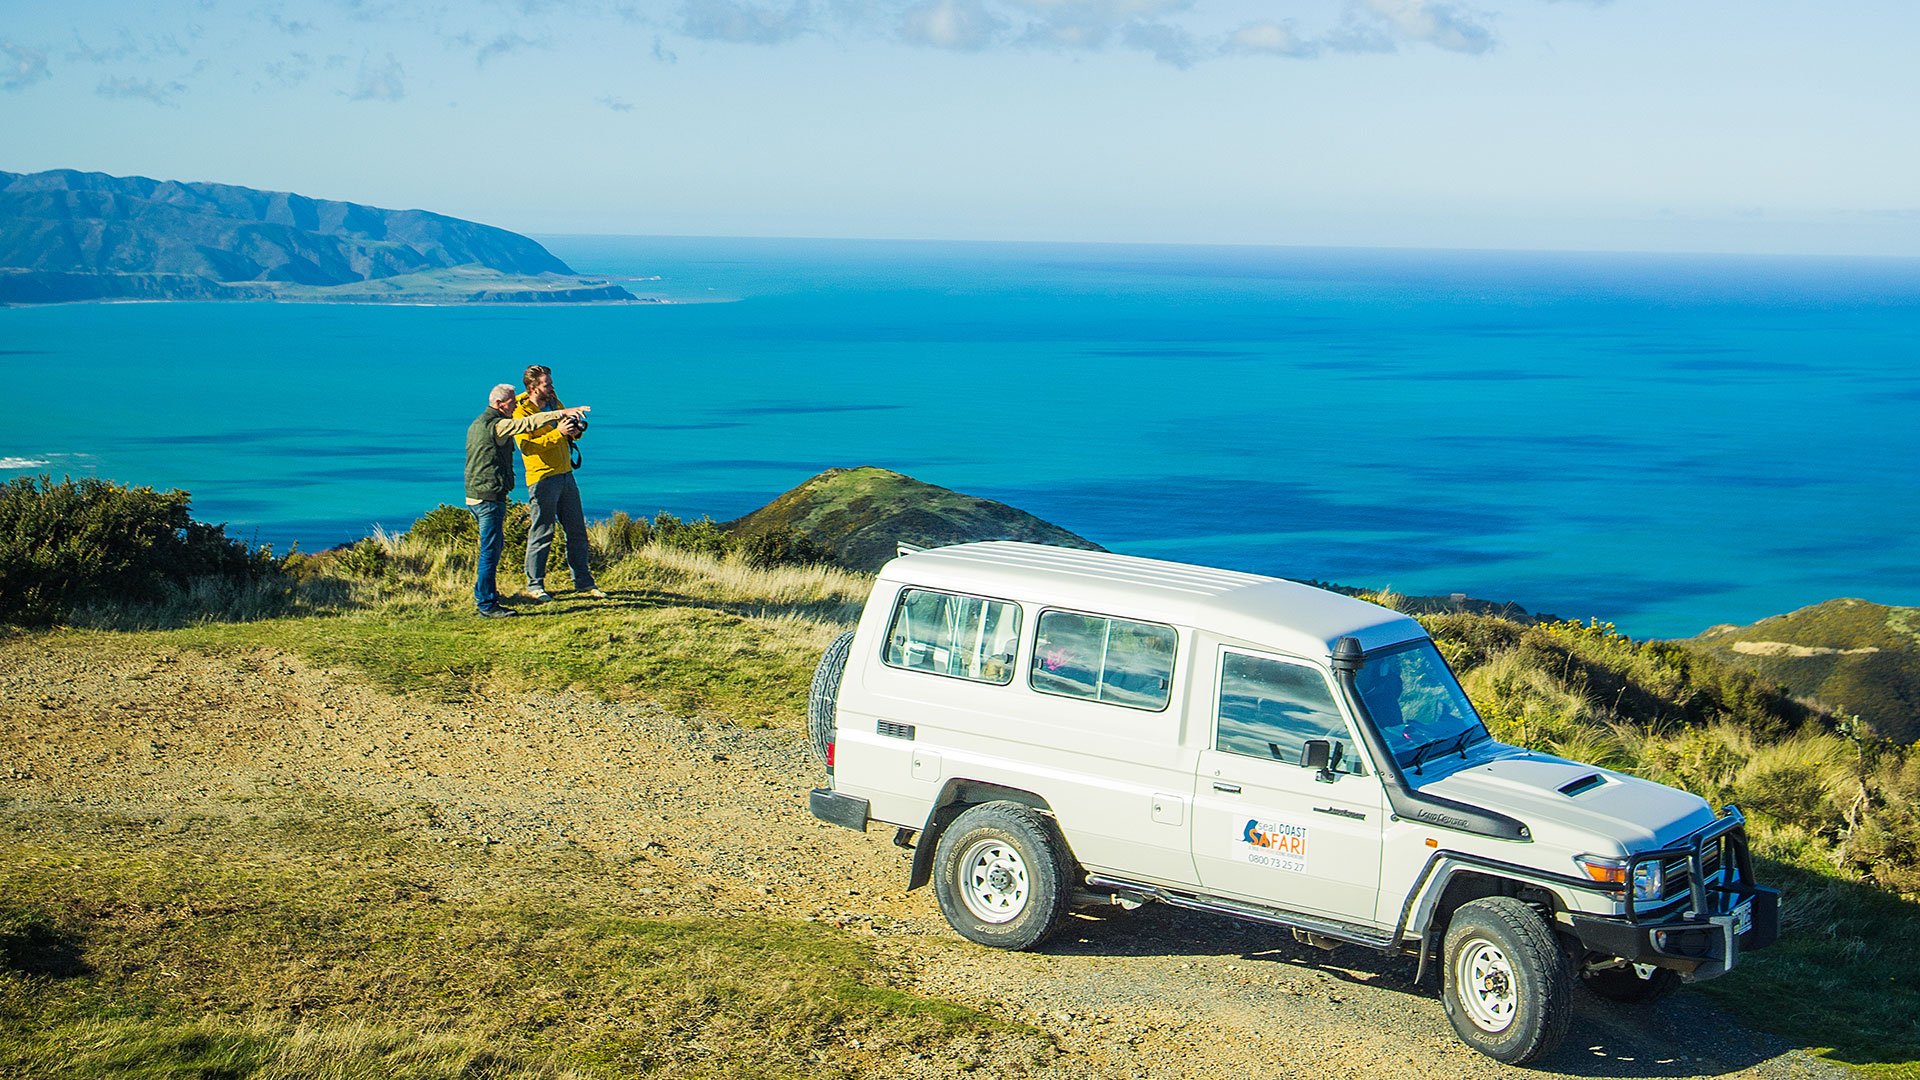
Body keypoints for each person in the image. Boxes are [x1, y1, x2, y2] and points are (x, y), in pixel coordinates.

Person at [465, 383, 589, 618]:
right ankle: (487, 604)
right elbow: (526, 425)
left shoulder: (477, 423)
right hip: (489, 496)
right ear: (499, 404)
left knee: (492, 549)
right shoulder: (498, 425)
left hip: (477, 494)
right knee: (490, 552)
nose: (516, 404)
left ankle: (487, 596)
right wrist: (560, 415)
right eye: (511, 402)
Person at [514, 364, 604, 602]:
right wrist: (559, 433)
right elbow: (527, 447)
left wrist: (574, 432)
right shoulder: (520, 411)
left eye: (551, 383)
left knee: (577, 531)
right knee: (542, 531)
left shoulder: (554, 401)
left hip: (565, 474)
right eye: (547, 384)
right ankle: (535, 585)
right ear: (533, 387)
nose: (552, 387)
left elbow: (568, 428)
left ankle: (583, 582)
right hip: (542, 477)